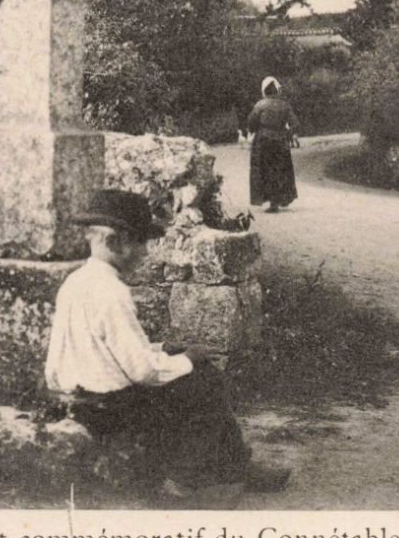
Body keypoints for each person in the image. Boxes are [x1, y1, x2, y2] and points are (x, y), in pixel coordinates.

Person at [44, 188, 291, 498]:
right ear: (113, 242)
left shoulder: (76, 282)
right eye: (140, 243)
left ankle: (232, 465)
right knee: (204, 381)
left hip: (74, 395)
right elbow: (143, 372)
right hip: (107, 405)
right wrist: (187, 358)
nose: (146, 253)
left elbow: (97, 352)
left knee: (181, 362)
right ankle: (186, 478)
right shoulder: (111, 292)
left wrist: (163, 350)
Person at [246, 76, 299, 212]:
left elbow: (251, 123)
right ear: (276, 91)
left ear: (265, 91)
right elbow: (295, 124)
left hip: (263, 141)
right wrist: (287, 134)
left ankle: (272, 202)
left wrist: (254, 130)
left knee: (265, 170)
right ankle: (281, 199)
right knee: (280, 169)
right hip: (280, 141)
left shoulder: (260, 105)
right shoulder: (285, 105)